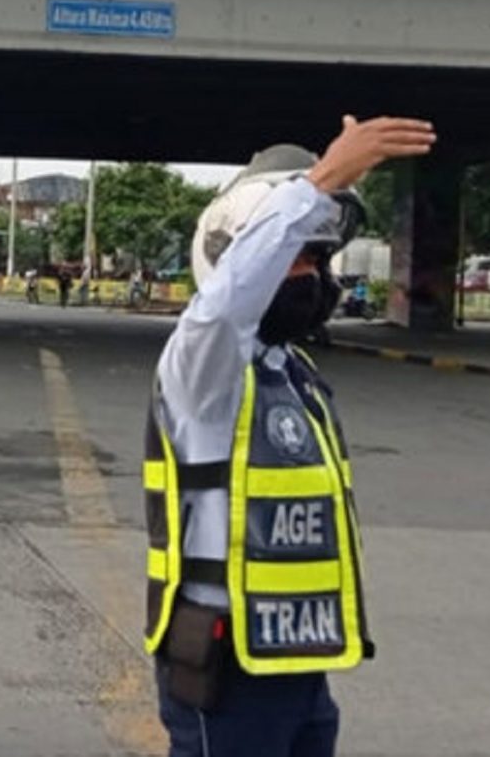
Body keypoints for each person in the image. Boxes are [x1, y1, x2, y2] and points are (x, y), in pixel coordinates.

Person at [143, 114, 436, 757]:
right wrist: (322, 179)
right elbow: (228, 305)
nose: (313, 275)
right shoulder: (203, 369)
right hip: (227, 665)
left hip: (298, 664)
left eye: (318, 258)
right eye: (297, 256)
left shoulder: (292, 371)